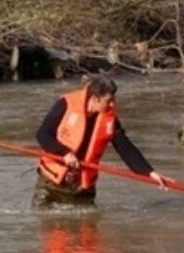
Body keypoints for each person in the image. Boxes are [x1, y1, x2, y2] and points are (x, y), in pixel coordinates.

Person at [33, 75, 164, 206]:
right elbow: (43, 134)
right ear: (95, 99)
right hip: (51, 183)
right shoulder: (65, 104)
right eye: (108, 101)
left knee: (87, 224)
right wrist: (64, 152)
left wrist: (149, 172)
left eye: (113, 100)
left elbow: (124, 147)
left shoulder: (109, 118)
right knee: (48, 224)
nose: (112, 104)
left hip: (82, 188)